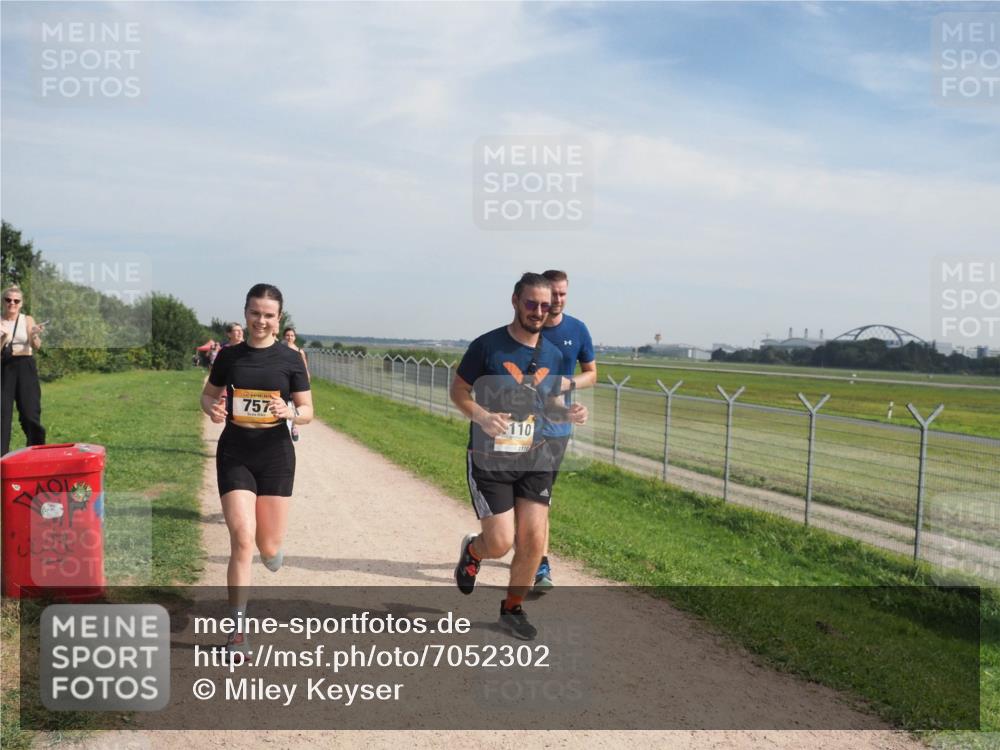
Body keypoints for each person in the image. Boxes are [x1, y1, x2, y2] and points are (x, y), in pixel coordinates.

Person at [450, 273, 587, 640]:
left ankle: (512, 608)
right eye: (531, 303)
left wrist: (568, 412)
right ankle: (475, 553)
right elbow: (459, 390)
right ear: (515, 301)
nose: (539, 311)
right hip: (490, 459)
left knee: (532, 539)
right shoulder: (487, 346)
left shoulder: (555, 354)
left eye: (545, 305)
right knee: (500, 542)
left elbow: (549, 401)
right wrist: (482, 415)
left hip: (536, 456)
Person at [200, 284, 313, 655]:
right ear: (245, 313)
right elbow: (208, 395)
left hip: (276, 456)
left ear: (278, 320)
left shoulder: (291, 359)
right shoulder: (230, 356)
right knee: (242, 537)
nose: (260, 320)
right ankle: (236, 631)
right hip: (235, 452)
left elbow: (308, 411)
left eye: (268, 315)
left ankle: (271, 550)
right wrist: (213, 409)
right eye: (255, 313)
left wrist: (291, 412)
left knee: (267, 546)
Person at [533, 269, 597, 591]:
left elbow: (592, 374)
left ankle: (536, 557)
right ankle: (535, 561)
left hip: (558, 427)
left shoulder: (577, 329)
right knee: (530, 496)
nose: (557, 301)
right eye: (553, 294)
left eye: (563, 294)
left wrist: (569, 382)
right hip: (523, 425)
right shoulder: (525, 329)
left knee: (541, 496)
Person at [1, 285, 46, 455]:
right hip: (4, 369)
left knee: (30, 413)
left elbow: (37, 346)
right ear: (3, 302)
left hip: (25, 366)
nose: (12, 303)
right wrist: (3, 337)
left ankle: (37, 453)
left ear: (21, 304)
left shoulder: (27, 320)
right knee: (2, 416)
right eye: (8, 300)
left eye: (16, 300)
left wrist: (34, 334)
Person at [281, 327, 310, 441]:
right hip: (285, 379)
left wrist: (306, 379)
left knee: (296, 403)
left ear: (295, 337)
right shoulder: (281, 349)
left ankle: (294, 425)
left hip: (296, 380)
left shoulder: (299, 351)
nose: (289, 337)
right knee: (286, 401)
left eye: (292, 335)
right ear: (284, 337)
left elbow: (304, 367)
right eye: (287, 335)